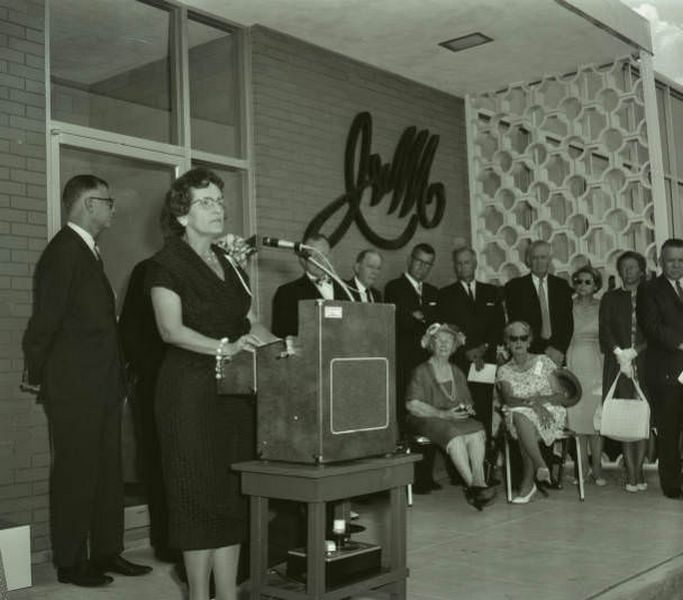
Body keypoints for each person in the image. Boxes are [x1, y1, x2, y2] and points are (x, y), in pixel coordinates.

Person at [22, 175, 151, 587]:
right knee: (76, 472)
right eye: (107, 202)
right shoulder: (63, 252)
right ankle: (71, 561)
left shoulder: (88, 252)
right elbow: (45, 321)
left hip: (102, 384)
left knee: (107, 472)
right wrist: (37, 375)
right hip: (74, 387)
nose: (113, 210)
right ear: (87, 204)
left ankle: (107, 551)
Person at [147, 167, 262, 600]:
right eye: (206, 202)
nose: (219, 208)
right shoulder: (165, 264)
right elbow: (170, 330)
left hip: (231, 395)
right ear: (181, 215)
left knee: (228, 497)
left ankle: (227, 594)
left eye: (220, 200)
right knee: (196, 498)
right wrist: (225, 348)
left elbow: (250, 322)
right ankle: (198, 595)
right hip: (189, 395)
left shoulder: (228, 262)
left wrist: (294, 345)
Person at [405, 324, 496, 510]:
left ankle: (479, 483)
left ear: (454, 346)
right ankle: (472, 486)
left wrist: (467, 409)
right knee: (454, 435)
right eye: (438, 340)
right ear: (431, 344)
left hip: (452, 418)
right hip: (426, 418)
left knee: (477, 429)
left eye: (449, 341)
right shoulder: (421, 371)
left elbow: (466, 401)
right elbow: (412, 405)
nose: (444, 344)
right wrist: (443, 414)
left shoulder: (457, 371)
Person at [119, 257, 172, 561]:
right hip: (155, 382)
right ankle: (165, 541)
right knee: (157, 461)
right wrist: (150, 370)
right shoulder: (147, 270)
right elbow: (129, 330)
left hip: (195, 383)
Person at [385, 243, 440, 493]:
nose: (422, 267)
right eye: (419, 261)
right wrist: (420, 320)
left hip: (430, 368)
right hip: (406, 366)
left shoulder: (433, 290)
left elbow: (436, 324)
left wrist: (420, 318)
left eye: (428, 264)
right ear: (410, 260)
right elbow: (401, 323)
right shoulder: (394, 288)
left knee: (429, 417)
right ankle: (409, 478)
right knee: (408, 420)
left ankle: (426, 476)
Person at [496, 321, 568, 504]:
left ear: (530, 341)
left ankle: (529, 484)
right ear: (507, 343)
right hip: (520, 411)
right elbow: (509, 400)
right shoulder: (504, 370)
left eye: (523, 338)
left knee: (523, 426)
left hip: (549, 411)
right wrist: (533, 404)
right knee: (521, 417)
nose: (518, 342)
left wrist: (540, 403)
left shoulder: (543, 361)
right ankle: (540, 466)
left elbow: (560, 396)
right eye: (513, 338)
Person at [437, 246, 505, 440]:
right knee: (460, 411)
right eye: (458, 263)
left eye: (466, 262)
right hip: (459, 363)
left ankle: (485, 462)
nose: (462, 267)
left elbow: (499, 326)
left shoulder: (491, 292)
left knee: (483, 410)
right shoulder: (445, 295)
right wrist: (465, 350)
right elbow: (445, 331)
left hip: (485, 361)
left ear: (475, 263)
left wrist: (484, 348)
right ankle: (460, 465)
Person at [599, 251, 650, 493]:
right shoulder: (610, 298)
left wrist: (636, 352)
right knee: (626, 417)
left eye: (633, 267)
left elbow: (656, 329)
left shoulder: (653, 295)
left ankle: (639, 470)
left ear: (642, 270)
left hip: (646, 361)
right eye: (624, 268)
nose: (628, 271)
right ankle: (631, 473)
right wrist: (620, 353)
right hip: (618, 364)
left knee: (642, 417)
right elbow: (605, 329)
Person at [637, 238, 683, 499]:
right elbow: (651, 326)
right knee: (669, 429)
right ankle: (672, 485)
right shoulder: (650, 289)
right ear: (660, 262)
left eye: (680, 260)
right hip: (666, 371)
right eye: (670, 260)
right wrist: (680, 342)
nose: (676, 265)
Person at [504, 240, 574, 366]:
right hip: (529, 354)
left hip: (557, 356)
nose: (539, 262)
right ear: (528, 261)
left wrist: (559, 349)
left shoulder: (562, 286)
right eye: (535, 258)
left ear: (550, 260)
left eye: (543, 257)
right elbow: (518, 324)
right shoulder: (515, 288)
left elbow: (568, 324)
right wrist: (546, 349)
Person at [566, 265, 605, 485]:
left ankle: (597, 468)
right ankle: (582, 468)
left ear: (596, 285)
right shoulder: (568, 306)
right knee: (577, 418)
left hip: (596, 362)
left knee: (595, 420)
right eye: (579, 281)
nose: (582, 285)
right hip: (574, 361)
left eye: (588, 282)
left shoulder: (602, 306)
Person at [271, 233, 347, 339]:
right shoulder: (286, 293)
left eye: (324, 255)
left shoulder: (348, 289)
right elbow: (282, 336)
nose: (320, 261)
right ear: (302, 260)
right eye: (314, 256)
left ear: (331, 257)